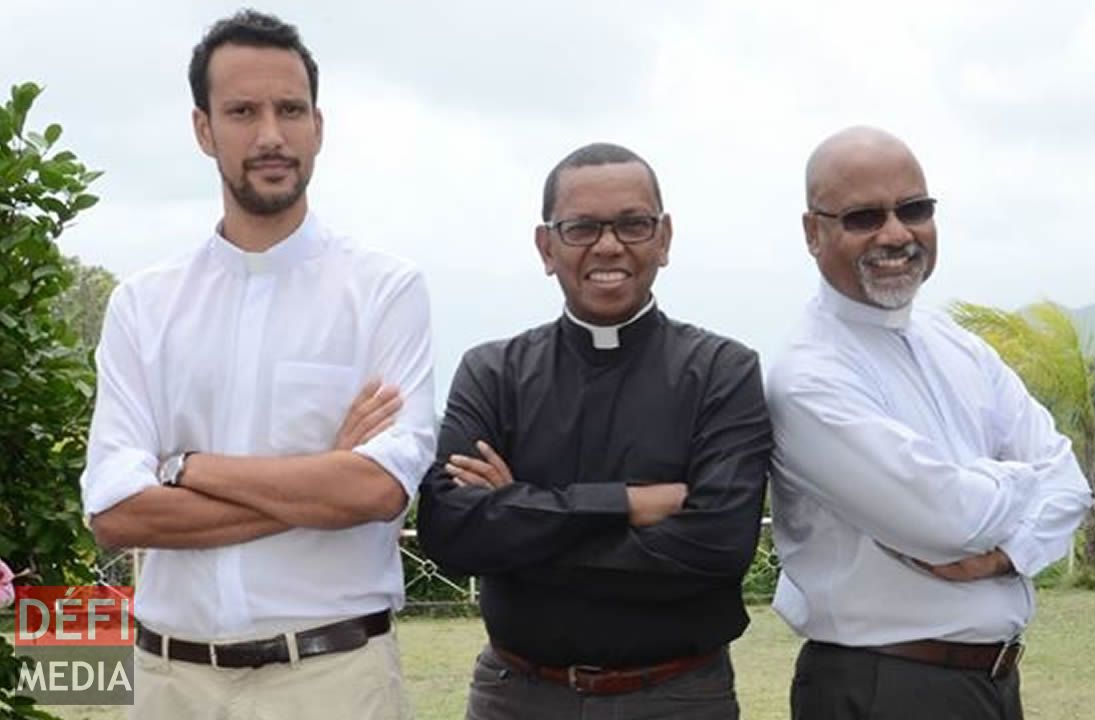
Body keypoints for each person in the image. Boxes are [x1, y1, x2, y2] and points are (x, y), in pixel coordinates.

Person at [80, 10, 435, 719]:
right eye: (242, 111)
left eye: (290, 110)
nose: (271, 134)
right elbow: (116, 513)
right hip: (169, 684)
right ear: (204, 129)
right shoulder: (144, 307)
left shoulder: (385, 292)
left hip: (333, 680)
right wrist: (315, 477)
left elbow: (373, 492)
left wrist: (187, 468)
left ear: (318, 126)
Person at [417, 142, 771, 719]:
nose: (609, 246)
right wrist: (626, 505)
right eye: (581, 227)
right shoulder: (494, 372)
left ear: (664, 237)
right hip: (518, 695)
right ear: (546, 246)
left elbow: (717, 549)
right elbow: (452, 533)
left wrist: (517, 522)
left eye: (633, 224)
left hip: (678, 698)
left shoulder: (721, 372)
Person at [767, 126, 1092, 719]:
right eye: (864, 217)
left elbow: (1070, 483)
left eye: (914, 209)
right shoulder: (807, 377)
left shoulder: (958, 346)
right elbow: (948, 519)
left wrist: (1002, 553)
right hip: (883, 686)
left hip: (990, 684)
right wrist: (1022, 482)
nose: (896, 233)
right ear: (814, 232)